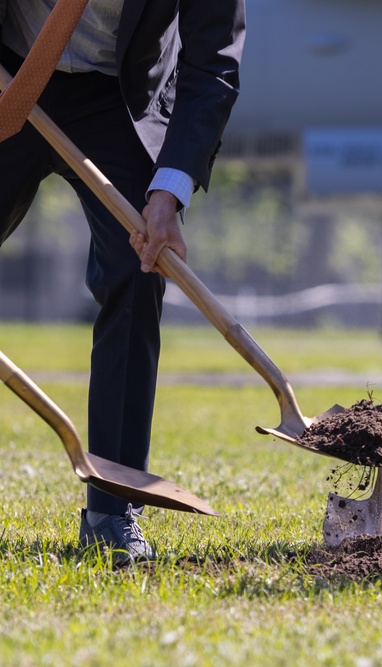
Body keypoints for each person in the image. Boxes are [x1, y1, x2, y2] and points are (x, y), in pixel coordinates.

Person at [0, 1, 245, 563]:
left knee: (139, 271)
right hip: (11, 67)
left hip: (120, 96)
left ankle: (113, 506)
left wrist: (170, 189)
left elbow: (214, 61)